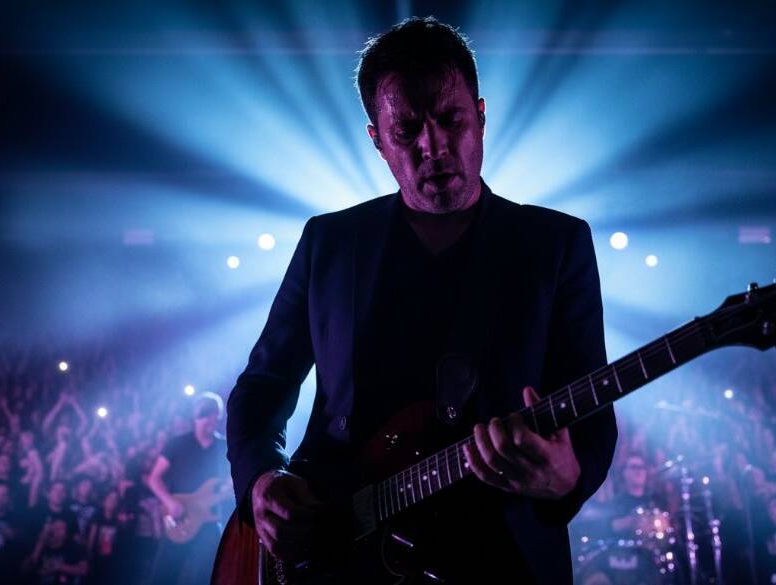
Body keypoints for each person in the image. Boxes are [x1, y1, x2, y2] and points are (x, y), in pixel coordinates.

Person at [225, 16, 616, 583]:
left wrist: (566, 475)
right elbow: (262, 385)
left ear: (480, 116)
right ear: (377, 141)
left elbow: (591, 400)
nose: (433, 146)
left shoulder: (555, 243)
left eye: (450, 119)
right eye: (406, 130)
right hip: (339, 552)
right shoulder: (329, 243)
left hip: (496, 556)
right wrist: (262, 479)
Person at [146, 392, 229, 585]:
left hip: (209, 520)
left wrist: (229, 488)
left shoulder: (223, 447)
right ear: (196, 416)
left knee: (205, 576)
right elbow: (154, 478)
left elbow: (228, 482)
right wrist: (169, 501)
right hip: (179, 518)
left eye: (215, 415)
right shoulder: (178, 443)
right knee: (164, 575)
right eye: (206, 415)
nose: (211, 420)